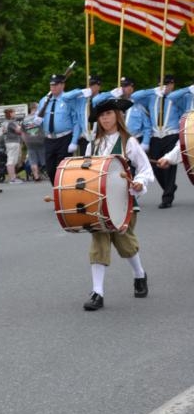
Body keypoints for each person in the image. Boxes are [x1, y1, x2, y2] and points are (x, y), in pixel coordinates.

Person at [80, 99, 153, 311]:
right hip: (98, 203)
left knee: (125, 244)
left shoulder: (128, 141)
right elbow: (84, 173)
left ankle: (139, 275)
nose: (105, 118)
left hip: (124, 201)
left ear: (117, 116)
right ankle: (97, 292)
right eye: (101, 115)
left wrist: (139, 183)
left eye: (109, 114)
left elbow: (145, 169)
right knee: (99, 242)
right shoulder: (91, 145)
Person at [131, 75, 187, 208]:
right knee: (156, 166)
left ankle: (167, 198)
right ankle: (170, 187)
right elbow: (135, 96)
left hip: (171, 134)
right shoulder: (152, 97)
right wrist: (153, 90)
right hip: (155, 136)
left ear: (172, 85)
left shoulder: (177, 98)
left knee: (169, 166)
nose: (165, 86)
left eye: (167, 84)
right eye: (162, 84)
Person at [32, 74, 79, 184]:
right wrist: (37, 120)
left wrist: (74, 141)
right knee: (50, 169)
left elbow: (76, 122)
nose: (53, 87)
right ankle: (57, 190)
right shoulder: (44, 100)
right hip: (49, 139)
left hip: (65, 139)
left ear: (63, 85)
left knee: (63, 169)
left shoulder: (68, 99)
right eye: (51, 85)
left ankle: (63, 192)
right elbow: (39, 117)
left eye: (56, 85)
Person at [61, 74, 110, 157]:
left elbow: (100, 99)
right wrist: (81, 91)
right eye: (88, 85)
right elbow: (64, 97)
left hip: (100, 136)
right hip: (85, 138)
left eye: (92, 85)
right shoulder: (81, 100)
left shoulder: (104, 98)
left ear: (98, 86)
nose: (90, 87)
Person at [21, 102, 46, 181]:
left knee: (33, 160)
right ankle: (47, 173)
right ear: (35, 107)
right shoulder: (39, 117)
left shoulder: (25, 119)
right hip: (40, 140)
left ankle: (36, 176)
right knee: (44, 158)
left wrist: (25, 142)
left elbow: (22, 132)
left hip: (30, 141)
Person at [1, 108, 23, 183]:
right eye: (14, 112)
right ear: (10, 113)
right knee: (11, 160)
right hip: (13, 142)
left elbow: (4, 132)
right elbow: (19, 131)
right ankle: (12, 179)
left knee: (12, 160)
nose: (15, 114)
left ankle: (13, 177)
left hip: (8, 142)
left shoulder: (5, 122)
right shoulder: (12, 122)